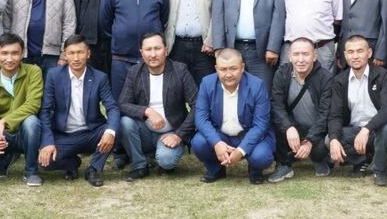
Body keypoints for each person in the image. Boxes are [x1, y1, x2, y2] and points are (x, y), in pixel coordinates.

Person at [38, 35, 118, 187]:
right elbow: (46, 110)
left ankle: (93, 168)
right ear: (65, 55)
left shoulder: (99, 77)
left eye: (80, 52)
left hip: (92, 133)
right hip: (64, 135)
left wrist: (110, 132)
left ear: (88, 53)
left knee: (117, 128)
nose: (76, 58)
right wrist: (47, 142)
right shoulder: (54, 75)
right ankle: (72, 164)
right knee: (45, 162)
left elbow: (112, 108)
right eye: (71, 53)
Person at [118, 33, 198, 181]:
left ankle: (159, 156)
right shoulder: (135, 72)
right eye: (148, 49)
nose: (153, 54)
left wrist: (179, 135)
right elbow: (122, 104)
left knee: (166, 161)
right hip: (145, 131)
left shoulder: (180, 70)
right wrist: (147, 111)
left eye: (157, 48)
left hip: (171, 133)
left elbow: (197, 105)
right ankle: (139, 165)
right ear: (141, 53)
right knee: (125, 123)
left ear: (166, 51)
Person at [192, 48, 275, 184]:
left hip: (248, 134)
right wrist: (217, 143)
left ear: (242, 68)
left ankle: (255, 171)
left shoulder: (257, 85)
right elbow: (201, 119)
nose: (228, 74)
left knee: (262, 156)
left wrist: (241, 150)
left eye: (233, 68)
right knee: (199, 143)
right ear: (216, 69)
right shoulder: (207, 83)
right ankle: (216, 169)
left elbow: (261, 124)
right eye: (223, 69)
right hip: (221, 135)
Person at [100, 0, 170, 101]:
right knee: (121, 102)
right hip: (121, 59)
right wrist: (122, 33)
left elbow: (164, 18)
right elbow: (105, 22)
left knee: (150, 102)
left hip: (151, 58)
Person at [0, 33, 43, 186]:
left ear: (22, 54)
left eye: (15, 53)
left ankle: (31, 171)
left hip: (26, 134)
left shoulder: (33, 72)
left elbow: (33, 104)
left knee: (31, 121)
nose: (9, 59)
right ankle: (2, 162)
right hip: (3, 137)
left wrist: (4, 121)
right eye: (4, 53)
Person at [327, 35, 387, 186]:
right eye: (351, 52)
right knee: (329, 140)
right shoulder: (339, 81)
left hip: (376, 129)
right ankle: (363, 160)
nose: (355, 56)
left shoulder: (383, 75)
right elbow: (335, 115)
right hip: (353, 131)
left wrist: (367, 129)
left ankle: (380, 170)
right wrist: (333, 139)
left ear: (369, 53)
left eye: (360, 51)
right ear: (345, 55)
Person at [268, 38, 333, 183]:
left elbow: (324, 114)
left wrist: (310, 140)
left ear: (314, 56)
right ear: (290, 56)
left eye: (306, 54)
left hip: (316, 130)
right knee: (274, 121)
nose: (301, 59)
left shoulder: (326, 78)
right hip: (292, 128)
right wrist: (288, 127)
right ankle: (284, 164)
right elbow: (277, 105)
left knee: (324, 142)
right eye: (296, 54)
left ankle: (319, 159)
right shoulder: (282, 74)